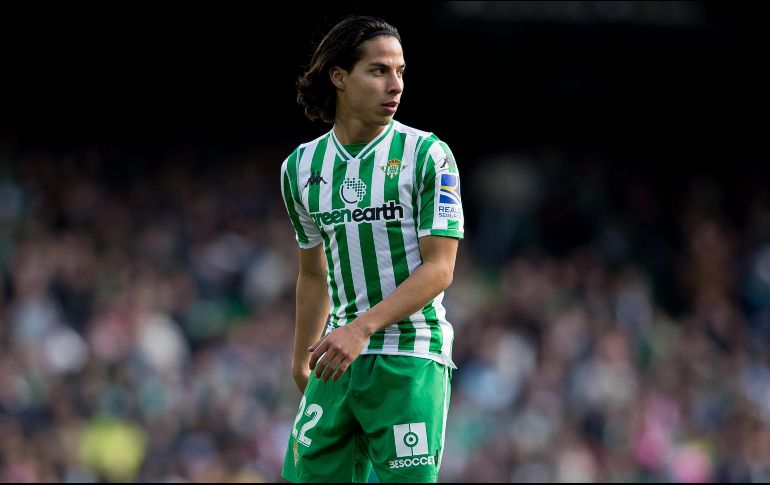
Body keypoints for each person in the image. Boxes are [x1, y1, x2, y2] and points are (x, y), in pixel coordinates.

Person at [279, 15, 464, 483]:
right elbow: (313, 273)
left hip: (410, 356)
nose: (395, 85)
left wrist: (361, 329)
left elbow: (439, 269)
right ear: (339, 77)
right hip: (338, 358)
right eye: (379, 70)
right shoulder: (300, 167)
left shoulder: (428, 155)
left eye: (400, 72)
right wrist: (301, 357)